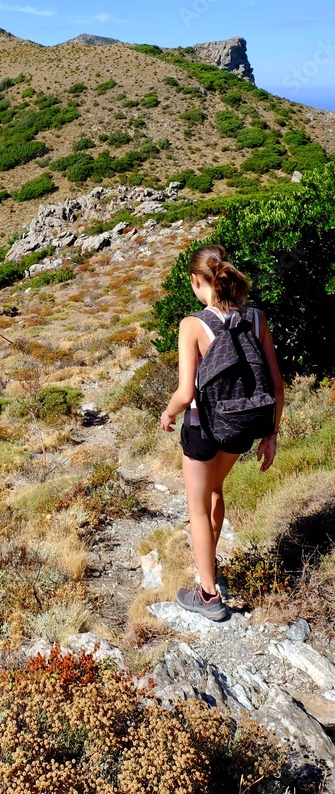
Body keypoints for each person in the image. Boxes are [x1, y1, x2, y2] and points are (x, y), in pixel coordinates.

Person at [160, 244, 284, 621]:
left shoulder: (192, 325)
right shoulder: (257, 319)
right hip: (240, 427)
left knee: (197, 508)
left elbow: (185, 393)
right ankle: (209, 570)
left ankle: (208, 595)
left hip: (202, 427)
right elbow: (276, 388)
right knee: (216, 490)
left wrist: (167, 413)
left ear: (198, 282)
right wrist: (271, 434)